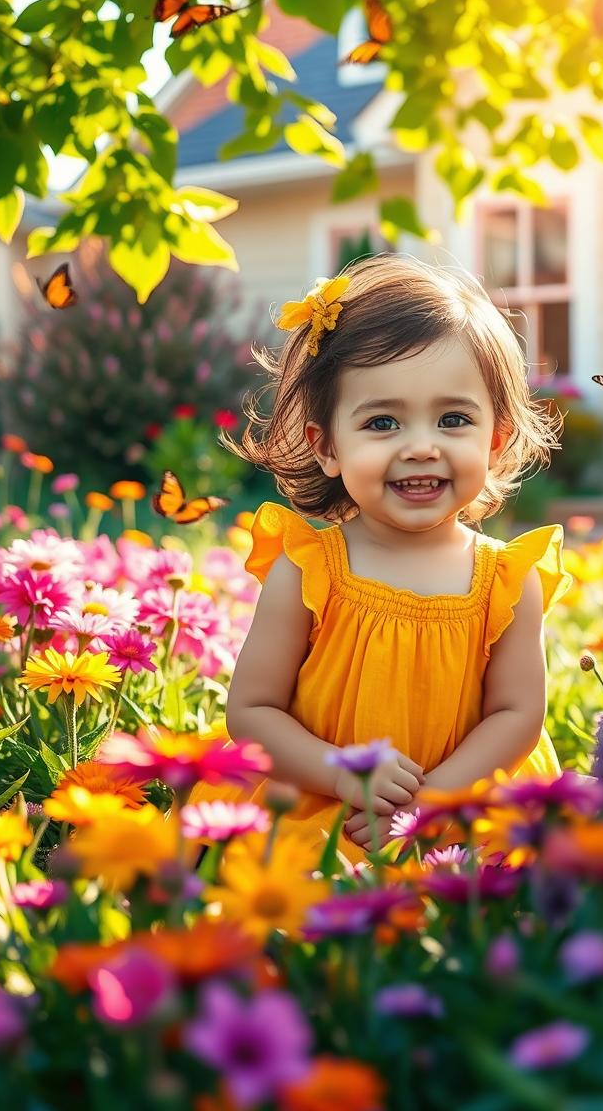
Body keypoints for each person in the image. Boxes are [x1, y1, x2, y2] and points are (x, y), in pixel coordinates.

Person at [224, 255, 571, 867]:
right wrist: (343, 775)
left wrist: (430, 804)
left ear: (494, 440)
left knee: (516, 890)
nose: (420, 446)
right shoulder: (310, 570)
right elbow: (252, 712)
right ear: (327, 445)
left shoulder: (506, 580)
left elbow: (517, 714)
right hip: (332, 804)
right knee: (301, 892)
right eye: (382, 421)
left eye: (453, 419)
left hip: (462, 802)